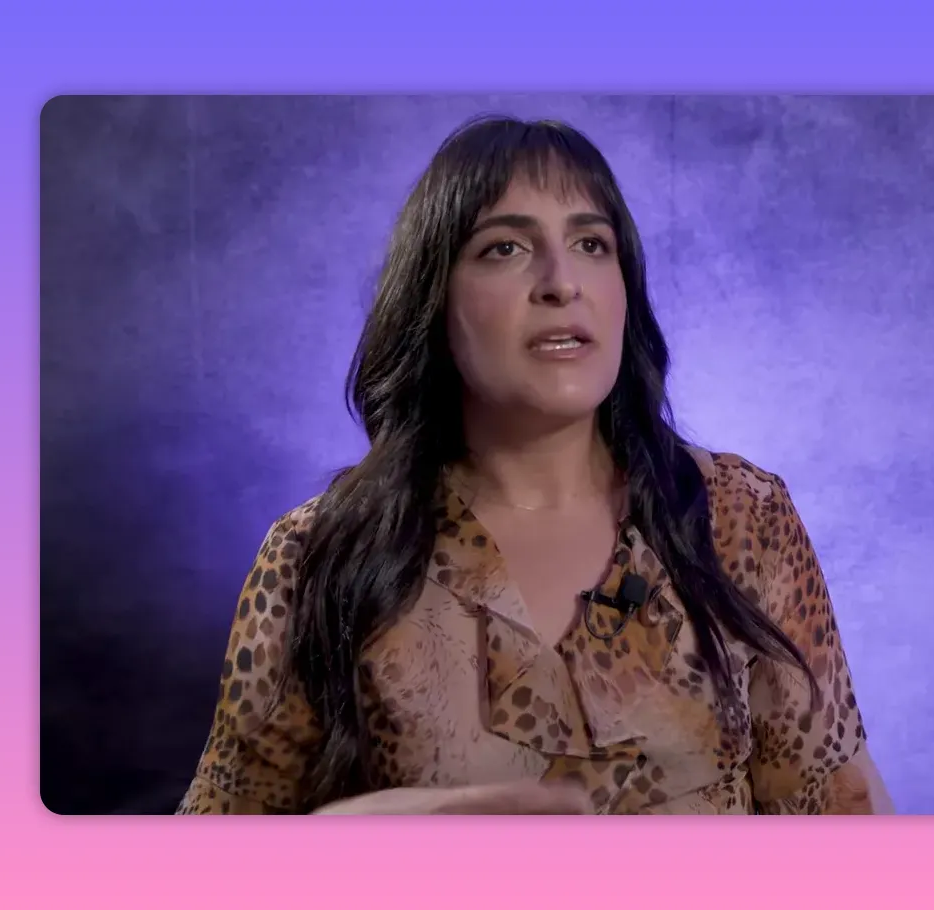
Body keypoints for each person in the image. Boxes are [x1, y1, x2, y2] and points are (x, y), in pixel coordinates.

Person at [175, 115, 893, 815]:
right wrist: (344, 841)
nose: (560, 282)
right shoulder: (316, 555)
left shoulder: (742, 515)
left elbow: (841, 817)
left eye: (590, 243)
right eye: (504, 249)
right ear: (435, 298)